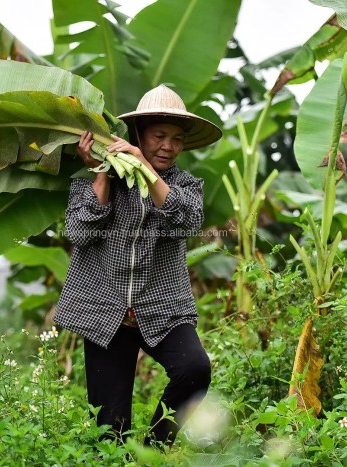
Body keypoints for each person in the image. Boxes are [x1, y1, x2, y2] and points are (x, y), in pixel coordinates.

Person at [53, 84, 222, 447]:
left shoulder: (185, 185)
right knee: (109, 430)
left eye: (177, 139)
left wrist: (144, 169)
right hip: (104, 311)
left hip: (163, 308)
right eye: (159, 136)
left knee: (195, 371)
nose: (168, 146)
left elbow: (187, 222)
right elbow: (79, 233)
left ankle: (154, 450)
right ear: (139, 135)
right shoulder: (98, 183)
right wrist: (101, 173)